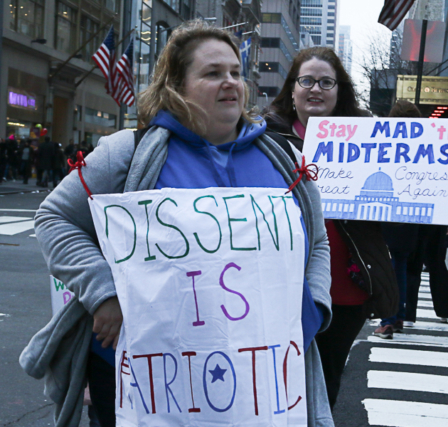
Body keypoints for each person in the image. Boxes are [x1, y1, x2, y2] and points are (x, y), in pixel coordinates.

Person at [20, 21, 333, 427]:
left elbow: (317, 242)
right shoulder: (126, 154)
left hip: (259, 373)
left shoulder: (285, 161)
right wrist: (103, 294)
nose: (231, 84)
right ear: (176, 85)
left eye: (236, 73)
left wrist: (312, 308)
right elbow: (54, 218)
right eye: (212, 73)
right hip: (150, 383)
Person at [265, 46, 398, 409]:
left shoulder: (370, 139)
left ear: (339, 91)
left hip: (346, 280)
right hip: (281, 278)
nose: (315, 89)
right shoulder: (263, 140)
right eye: (306, 80)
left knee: (327, 374)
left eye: (326, 82)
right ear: (292, 89)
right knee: (277, 373)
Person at [371, 100, 421, 339]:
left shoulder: (385, 144)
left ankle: (388, 319)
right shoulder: (422, 145)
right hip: (411, 217)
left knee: (387, 267)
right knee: (399, 266)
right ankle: (397, 314)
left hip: (387, 214)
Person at [403, 225, 448, 328]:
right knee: (437, 265)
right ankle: (447, 311)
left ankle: (408, 314)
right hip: (438, 221)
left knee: (412, 267)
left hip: (416, 221)